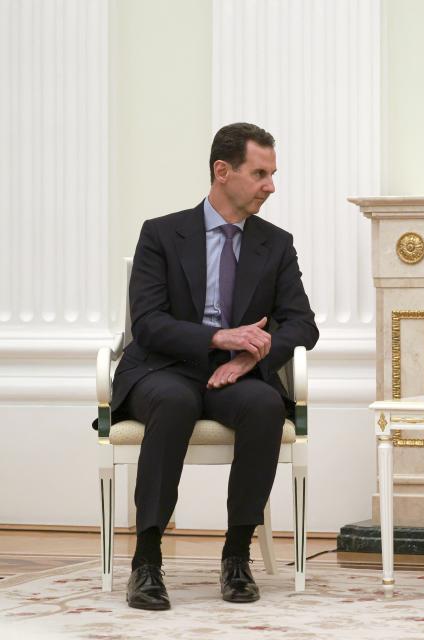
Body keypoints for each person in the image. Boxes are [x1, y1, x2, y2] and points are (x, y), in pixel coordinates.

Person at [110, 122, 319, 610]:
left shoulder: (276, 243)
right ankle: (146, 560)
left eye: (273, 174)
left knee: (266, 405)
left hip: (234, 373)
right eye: (260, 173)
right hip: (163, 368)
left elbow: (302, 325)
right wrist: (220, 336)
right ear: (222, 172)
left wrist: (252, 354)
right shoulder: (161, 234)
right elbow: (149, 325)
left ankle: (236, 556)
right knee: (175, 402)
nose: (271, 185)